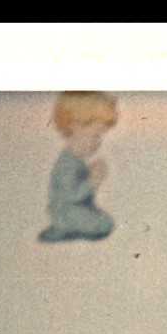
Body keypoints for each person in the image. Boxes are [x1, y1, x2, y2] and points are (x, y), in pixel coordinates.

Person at [37, 90, 118, 243]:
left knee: (105, 222)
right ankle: (63, 228)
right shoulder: (67, 163)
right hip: (65, 213)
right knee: (103, 224)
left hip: (73, 210)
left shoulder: (75, 160)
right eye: (95, 136)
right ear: (75, 126)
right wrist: (93, 181)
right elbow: (72, 196)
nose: (97, 143)